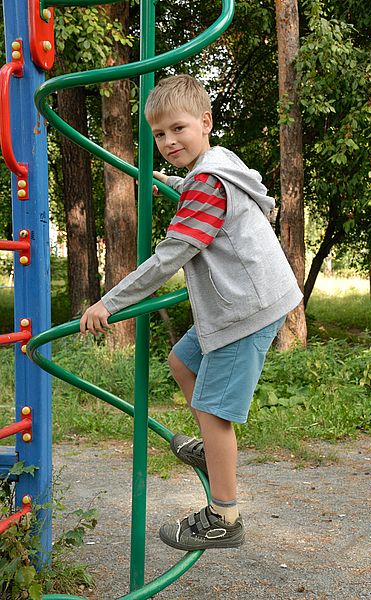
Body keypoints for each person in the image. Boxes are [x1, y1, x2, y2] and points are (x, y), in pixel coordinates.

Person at [79, 74, 303, 551]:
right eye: (159, 134)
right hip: (248, 299)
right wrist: (173, 181)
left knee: (212, 407)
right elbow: (204, 191)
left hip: (245, 309)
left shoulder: (207, 182)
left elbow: (169, 258)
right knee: (182, 362)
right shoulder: (219, 164)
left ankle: (225, 515)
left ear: (205, 122)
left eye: (178, 129)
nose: (168, 141)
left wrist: (109, 302)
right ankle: (209, 449)